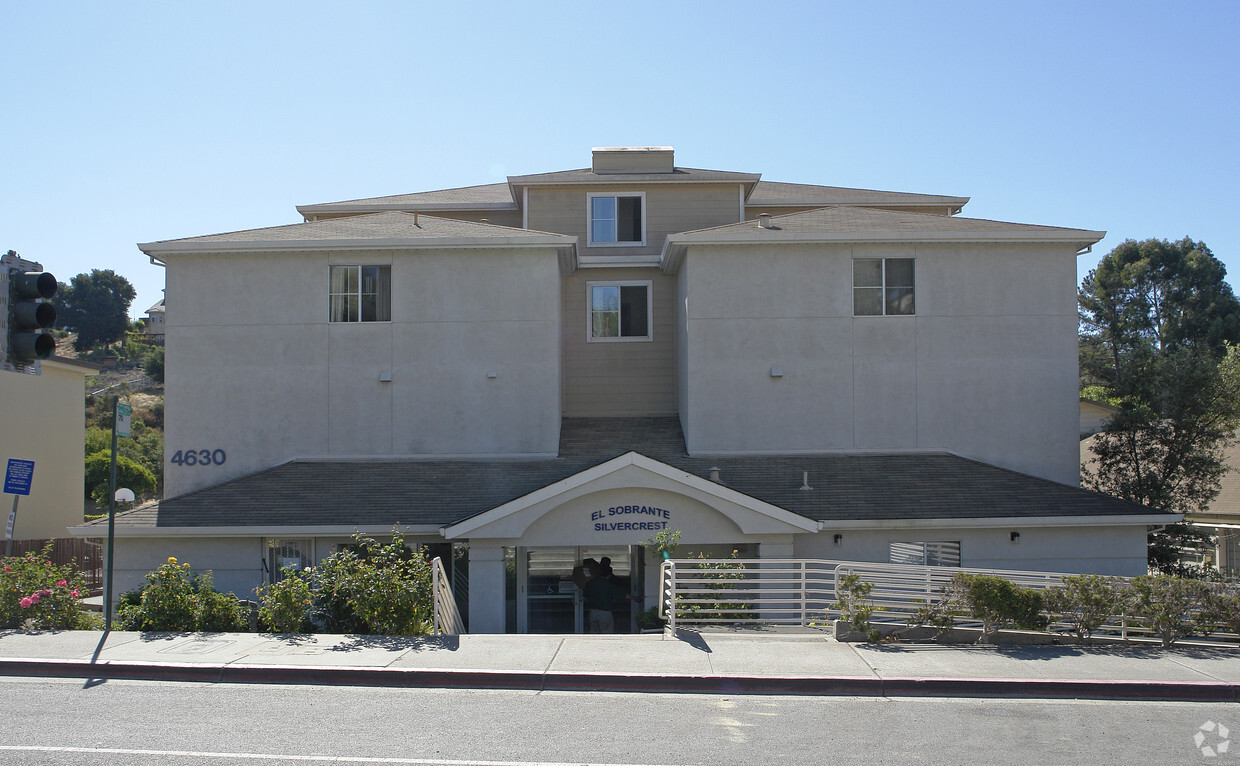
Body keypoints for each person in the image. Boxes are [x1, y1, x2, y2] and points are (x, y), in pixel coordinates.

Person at [583, 564, 629, 633]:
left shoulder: (590, 583)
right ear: (609, 575)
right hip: (605, 612)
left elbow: (585, 594)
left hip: (593, 612)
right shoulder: (609, 585)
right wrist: (636, 597)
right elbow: (623, 595)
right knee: (607, 633)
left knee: (593, 633)